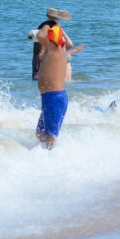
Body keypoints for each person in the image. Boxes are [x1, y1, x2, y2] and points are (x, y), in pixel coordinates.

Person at [34, 20, 69, 149]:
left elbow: (41, 36)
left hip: (54, 98)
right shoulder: (58, 49)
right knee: (40, 133)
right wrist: (57, 26)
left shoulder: (55, 48)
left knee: (49, 137)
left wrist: (48, 24)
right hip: (51, 98)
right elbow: (70, 43)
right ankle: (47, 154)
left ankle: (52, 160)